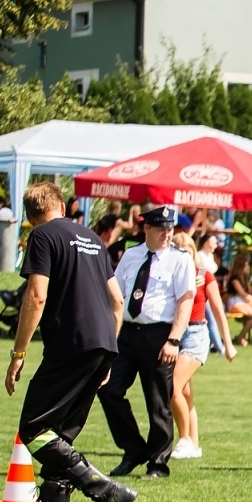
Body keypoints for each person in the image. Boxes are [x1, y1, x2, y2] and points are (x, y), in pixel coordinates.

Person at [2, 182, 137, 502]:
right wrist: (108, 350)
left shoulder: (43, 236)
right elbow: (117, 300)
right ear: (61, 205)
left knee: (34, 429)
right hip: (103, 343)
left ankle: (106, 490)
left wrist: (18, 354)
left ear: (31, 216)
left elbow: (36, 294)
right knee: (60, 434)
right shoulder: (92, 237)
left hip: (71, 343)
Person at [97, 205, 197, 480]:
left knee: (157, 402)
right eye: (161, 229)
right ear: (146, 229)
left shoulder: (180, 259)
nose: (167, 234)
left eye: (170, 229)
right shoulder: (131, 255)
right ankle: (133, 449)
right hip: (128, 333)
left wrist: (174, 339)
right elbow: (115, 292)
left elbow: (185, 301)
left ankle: (158, 462)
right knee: (108, 388)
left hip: (159, 335)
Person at [170, 230, 236, 461]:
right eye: (178, 251)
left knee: (173, 385)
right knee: (185, 392)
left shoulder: (204, 276)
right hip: (175, 335)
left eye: (187, 251)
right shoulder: (170, 275)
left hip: (196, 333)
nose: (183, 256)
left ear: (193, 252)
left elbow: (219, 311)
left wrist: (228, 344)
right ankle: (194, 444)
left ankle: (184, 440)